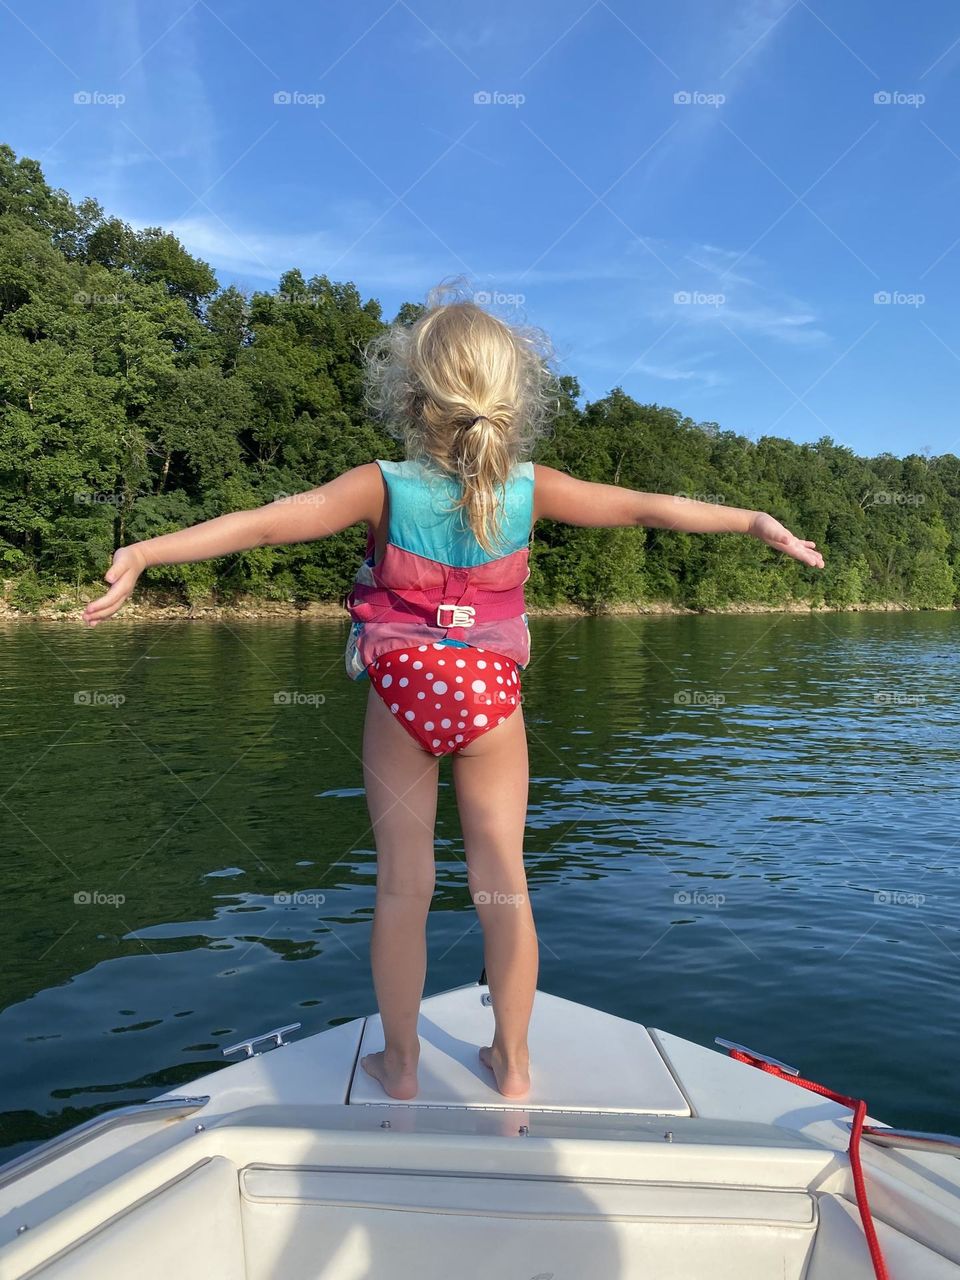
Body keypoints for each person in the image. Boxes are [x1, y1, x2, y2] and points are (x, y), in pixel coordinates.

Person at [82, 283, 824, 1101]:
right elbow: (648, 509)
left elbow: (264, 522)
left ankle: (400, 1066)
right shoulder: (531, 489)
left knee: (404, 887)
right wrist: (754, 520)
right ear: (511, 398)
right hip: (491, 699)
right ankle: (513, 1062)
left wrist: (146, 552)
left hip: (403, 693)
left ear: (412, 394)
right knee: (504, 884)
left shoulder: (380, 486)